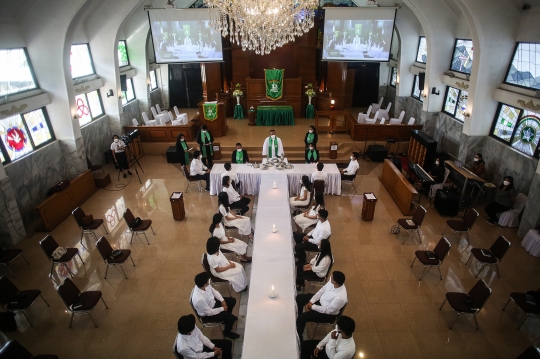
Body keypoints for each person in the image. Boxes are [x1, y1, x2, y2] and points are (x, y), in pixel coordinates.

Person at [296, 271, 348, 342]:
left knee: (301, 318)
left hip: (327, 314)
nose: (330, 278)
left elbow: (327, 310)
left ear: (335, 282)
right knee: (299, 298)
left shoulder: (341, 298)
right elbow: (322, 290)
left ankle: (299, 337)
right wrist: (312, 301)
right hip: (321, 301)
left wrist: (312, 307)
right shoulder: (332, 282)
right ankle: (299, 313)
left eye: (331, 278)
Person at [190, 272, 240, 340]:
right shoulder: (199, 299)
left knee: (232, 301)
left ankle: (226, 319)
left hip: (213, 303)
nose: (209, 282)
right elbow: (209, 312)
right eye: (208, 281)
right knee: (231, 318)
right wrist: (222, 309)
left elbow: (214, 291)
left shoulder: (204, 286)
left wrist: (222, 300)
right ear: (205, 284)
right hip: (208, 314)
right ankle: (227, 332)